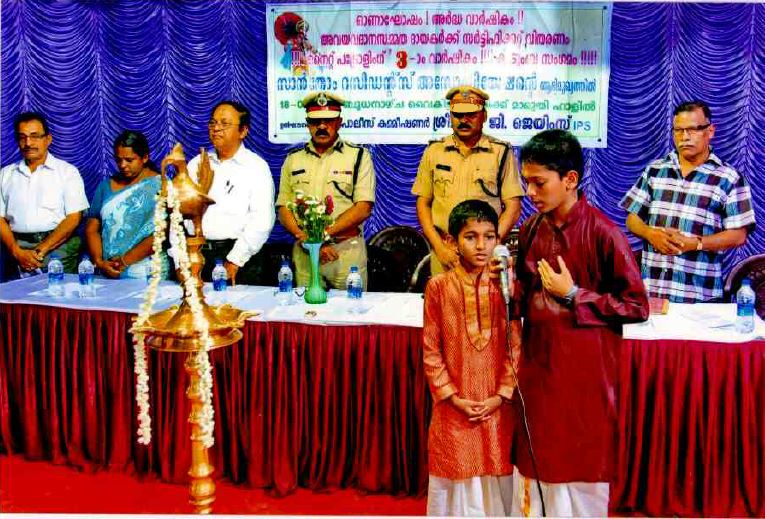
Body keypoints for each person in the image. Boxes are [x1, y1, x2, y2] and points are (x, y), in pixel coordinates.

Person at [508, 129, 648, 517]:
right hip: (539, 368)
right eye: (527, 182)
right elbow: (523, 291)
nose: (530, 193)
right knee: (538, 459)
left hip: (585, 376)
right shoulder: (533, 227)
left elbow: (636, 306)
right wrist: (500, 287)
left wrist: (574, 294)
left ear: (570, 179)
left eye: (539, 183)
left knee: (582, 464)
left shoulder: (604, 233)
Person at [423, 199, 520, 516]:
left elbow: (516, 345)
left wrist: (501, 395)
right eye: (470, 237)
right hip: (454, 407)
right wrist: (452, 397)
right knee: (455, 464)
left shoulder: (506, 287)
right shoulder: (438, 287)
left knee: (497, 463)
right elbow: (431, 350)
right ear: (451, 241)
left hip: (497, 405)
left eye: (489, 237)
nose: (481, 246)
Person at [621, 100, 756, 302]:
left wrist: (696, 244)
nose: (685, 137)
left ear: (710, 131)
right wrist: (650, 233)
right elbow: (632, 219)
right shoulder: (655, 170)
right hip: (652, 295)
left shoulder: (729, 178)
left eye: (693, 130)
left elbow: (738, 235)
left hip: (700, 298)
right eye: (679, 130)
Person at [412, 85, 524, 276]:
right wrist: (439, 247)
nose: (464, 120)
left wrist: (490, 243)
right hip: (445, 253)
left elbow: (513, 207)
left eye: (471, 114)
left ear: (484, 116)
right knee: (444, 296)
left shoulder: (500, 153)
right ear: (450, 116)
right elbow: (423, 203)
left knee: (485, 296)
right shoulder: (434, 151)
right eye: (458, 115)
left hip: (484, 255)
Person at [276, 91, 375, 289]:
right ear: (307, 123)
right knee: (305, 307)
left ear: (339, 122)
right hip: (305, 253)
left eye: (328, 121)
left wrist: (320, 238)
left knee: (350, 307)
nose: (321, 126)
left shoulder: (359, 156)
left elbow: (363, 208)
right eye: (315, 121)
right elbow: (283, 208)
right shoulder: (293, 159)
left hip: (345, 254)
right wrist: (307, 240)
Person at [186, 100, 275, 285]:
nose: (216, 128)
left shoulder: (256, 167)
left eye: (224, 123)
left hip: (239, 259)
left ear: (243, 131)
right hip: (196, 255)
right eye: (213, 122)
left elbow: (262, 221)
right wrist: (180, 256)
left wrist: (234, 260)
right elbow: (179, 213)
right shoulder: (196, 164)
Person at [0, 111, 88, 279]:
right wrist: (17, 251)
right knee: (16, 296)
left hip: (57, 249)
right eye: (22, 137)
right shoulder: (6, 174)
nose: (28, 143)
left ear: (48, 139)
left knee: (58, 295)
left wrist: (39, 252)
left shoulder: (67, 172)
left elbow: (73, 218)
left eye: (35, 136)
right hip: (16, 250)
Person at [84, 130, 169, 279]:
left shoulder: (161, 186)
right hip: (108, 269)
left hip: (147, 271)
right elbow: (92, 228)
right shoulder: (105, 186)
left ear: (145, 158)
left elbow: (164, 232)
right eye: (118, 160)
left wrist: (124, 261)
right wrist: (99, 262)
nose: (122, 165)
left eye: (129, 160)